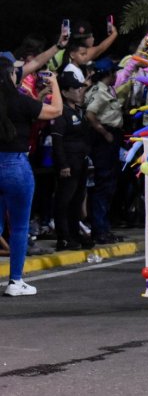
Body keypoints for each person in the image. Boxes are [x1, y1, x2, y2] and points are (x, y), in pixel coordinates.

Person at [0, 57, 62, 296]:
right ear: (9, 76)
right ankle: (15, 281)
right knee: (18, 227)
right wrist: (54, 84)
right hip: (16, 165)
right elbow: (55, 110)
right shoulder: (21, 102)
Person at [51, 72, 95, 251]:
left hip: (81, 161)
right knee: (64, 200)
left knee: (77, 200)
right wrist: (63, 165)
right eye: (75, 88)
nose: (79, 91)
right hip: (69, 163)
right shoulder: (61, 112)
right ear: (64, 92)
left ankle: (74, 234)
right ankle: (63, 237)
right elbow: (57, 140)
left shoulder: (78, 110)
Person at [85, 58, 125, 244]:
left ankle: (104, 227)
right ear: (108, 74)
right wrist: (103, 132)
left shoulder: (107, 90)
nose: (116, 75)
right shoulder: (99, 91)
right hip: (104, 139)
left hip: (112, 137)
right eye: (114, 72)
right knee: (104, 184)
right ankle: (99, 230)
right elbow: (90, 114)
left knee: (109, 185)